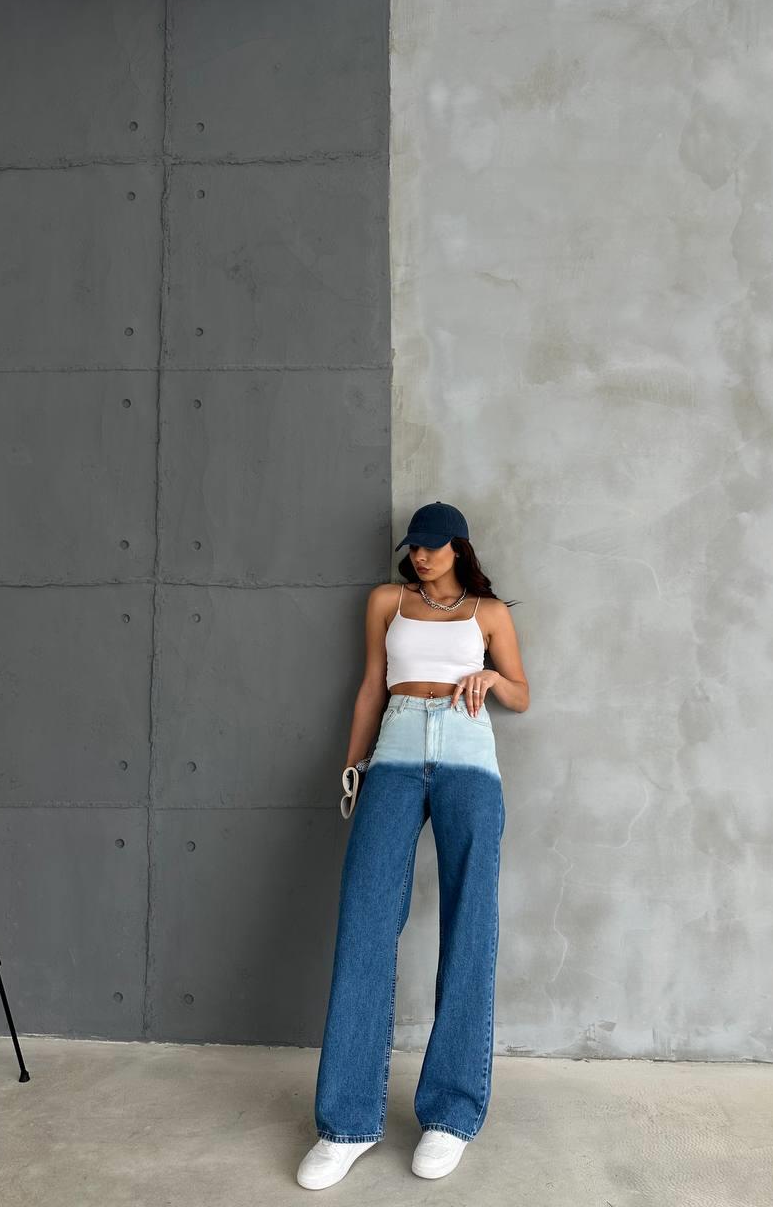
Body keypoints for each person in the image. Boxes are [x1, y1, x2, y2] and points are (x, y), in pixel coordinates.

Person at [297, 501, 530, 1190]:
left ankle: (450, 1115)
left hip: (468, 760)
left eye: (432, 546)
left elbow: (522, 693)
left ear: (459, 547)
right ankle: (346, 1124)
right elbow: (372, 686)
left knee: (470, 928)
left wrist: (493, 678)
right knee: (364, 922)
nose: (420, 556)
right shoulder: (386, 602)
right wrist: (354, 768)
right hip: (394, 758)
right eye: (414, 548)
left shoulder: (489, 612)